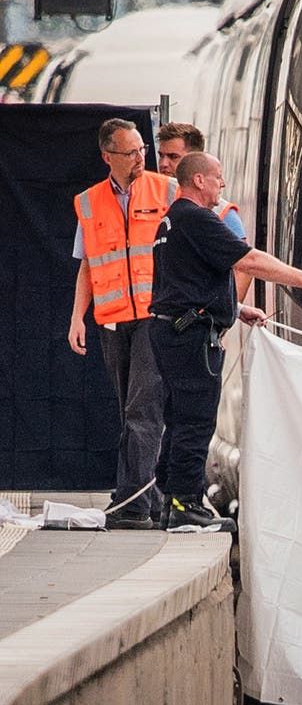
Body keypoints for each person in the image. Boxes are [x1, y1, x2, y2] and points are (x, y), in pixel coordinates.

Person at [149, 152, 302, 531]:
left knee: (178, 416)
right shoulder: (198, 219)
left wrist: (234, 309)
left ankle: (168, 502)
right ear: (199, 180)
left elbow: (186, 281)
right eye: (218, 177)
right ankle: (185, 507)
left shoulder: (172, 222)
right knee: (195, 420)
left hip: (173, 329)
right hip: (190, 336)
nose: (222, 184)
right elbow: (248, 260)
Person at [68, 118, 175, 529]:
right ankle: (151, 502)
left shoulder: (164, 190)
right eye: (130, 152)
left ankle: (130, 506)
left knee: (142, 410)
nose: (139, 158)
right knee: (129, 412)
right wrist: (77, 317)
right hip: (112, 322)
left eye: (141, 150)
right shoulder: (90, 202)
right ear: (107, 157)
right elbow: (88, 266)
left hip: (154, 315)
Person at [156, 121, 250, 301]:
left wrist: (223, 315)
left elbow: (244, 267)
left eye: (173, 157)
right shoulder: (149, 202)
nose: (163, 164)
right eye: (161, 156)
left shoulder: (221, 211)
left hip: (194, 321)